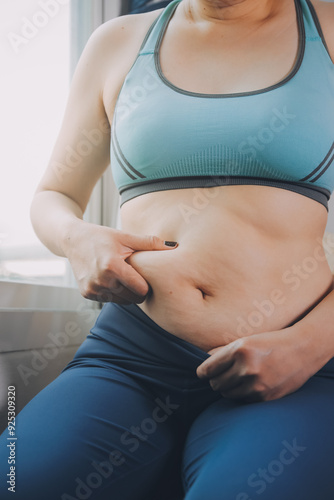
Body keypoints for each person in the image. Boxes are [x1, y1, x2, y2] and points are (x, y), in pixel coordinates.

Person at [1, 0, 334, 498]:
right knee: (18, 480)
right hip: (130, 355)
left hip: (292, 363)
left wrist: (308, 348)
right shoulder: (118, 43)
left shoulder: (326, 30)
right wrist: (78, 239)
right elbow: (55, 195)